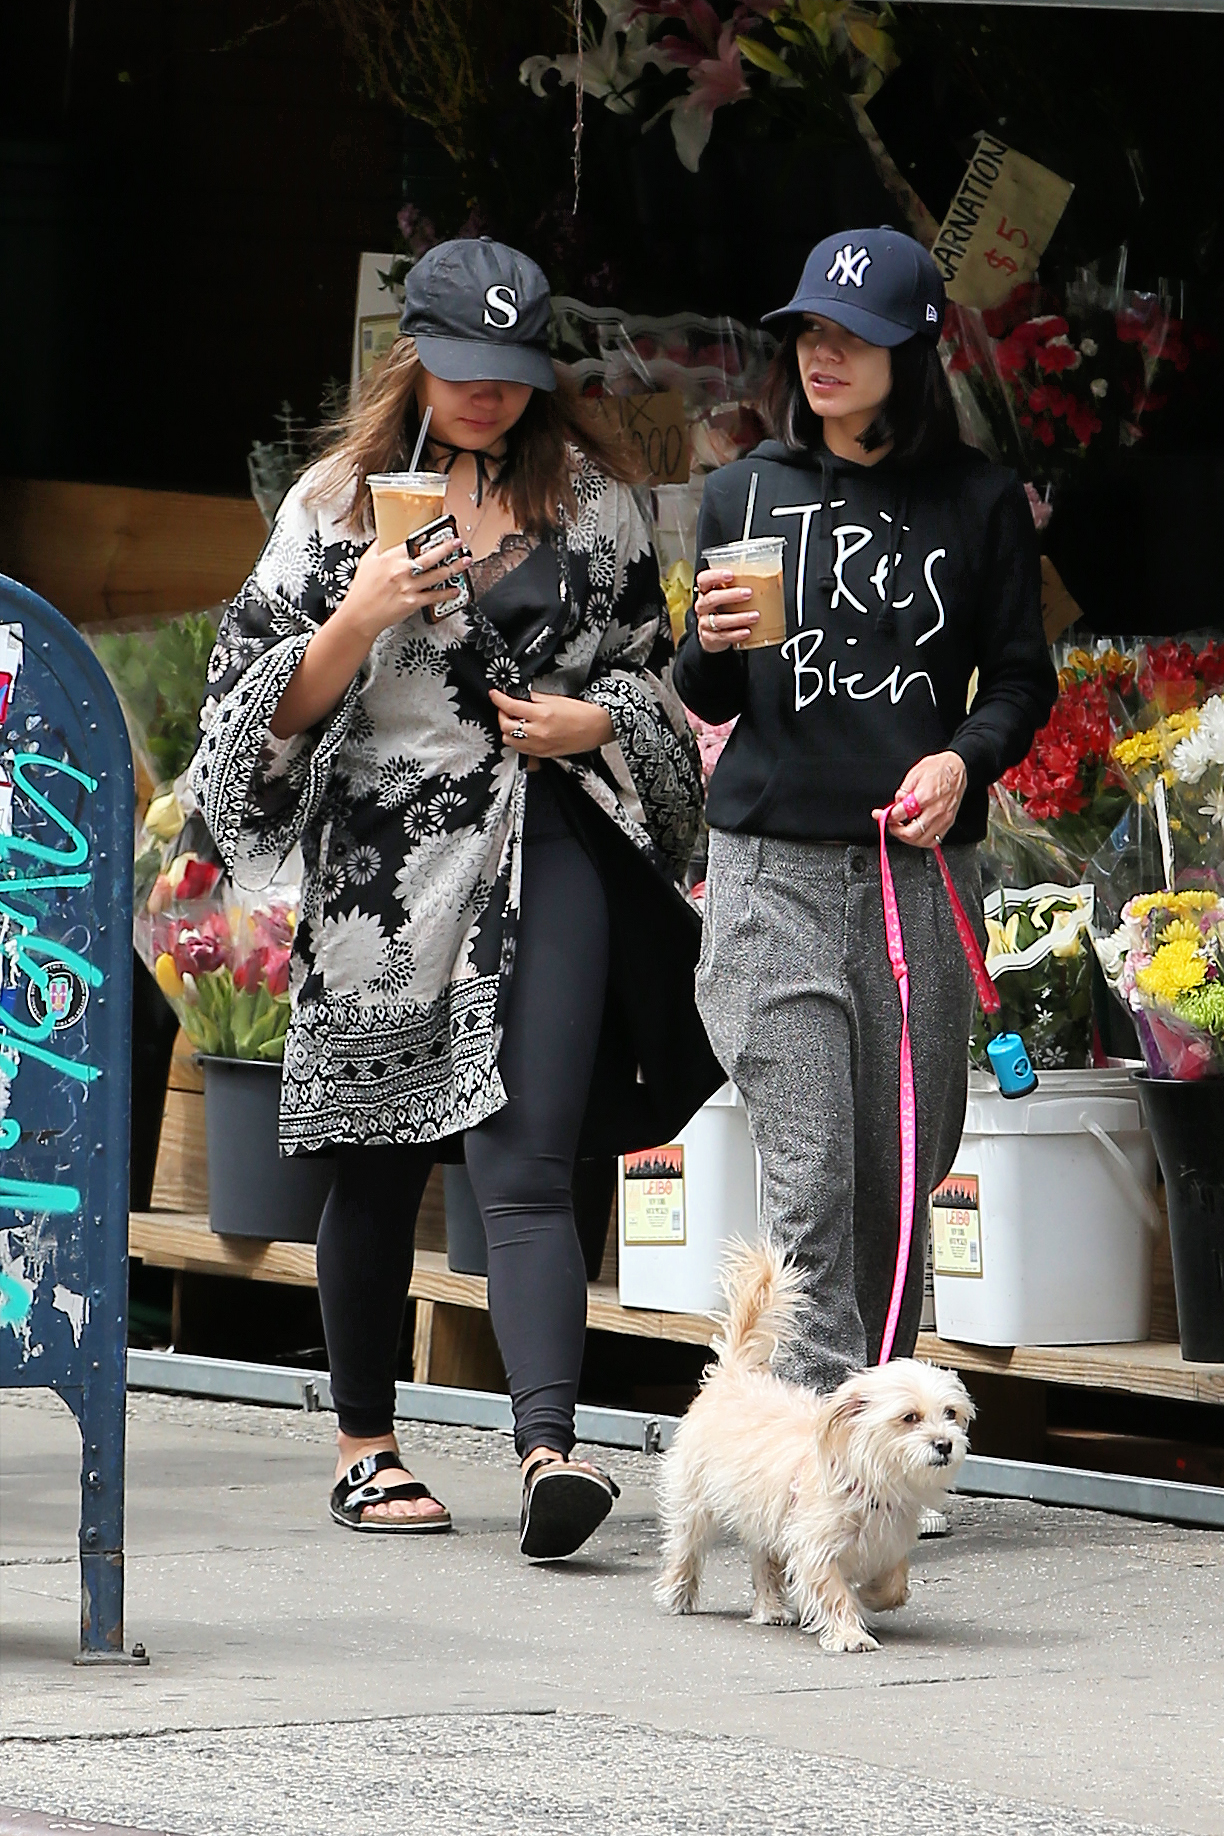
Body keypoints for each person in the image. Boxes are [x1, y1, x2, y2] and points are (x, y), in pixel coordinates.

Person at [192, 238, 720, 1558]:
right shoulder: (333, 506)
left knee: (532, 1152)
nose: (487, 393)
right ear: (413, 355)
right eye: (463, 366)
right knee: (375, 1159)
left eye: (512, 369)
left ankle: (550, 1451)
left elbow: (653, 678)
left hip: (550, 842)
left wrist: (596, 721)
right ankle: (364, 1447)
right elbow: (239, 719)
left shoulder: (595, 501)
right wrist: (357, 617)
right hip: (383, 868)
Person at [673, 227, 1057, 1394]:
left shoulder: (980, 503)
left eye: (852, 336)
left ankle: (874, 1431)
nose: (821, 355)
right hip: (770, 875)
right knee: (813, 1180)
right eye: (808, 333)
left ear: (913, 352)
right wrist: (708, 645)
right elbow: (708, 692)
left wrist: (962, 762)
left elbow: (1023, 680)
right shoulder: (745, 490)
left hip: (917, 879)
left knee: (900, 1180)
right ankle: (816, 1455)